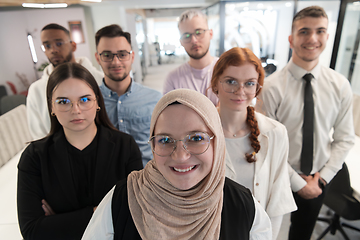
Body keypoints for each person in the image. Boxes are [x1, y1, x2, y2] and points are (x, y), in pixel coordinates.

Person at [81, 89, 272, 240]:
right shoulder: (122, 200)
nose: (181, 156)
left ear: (217, 143)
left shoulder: (243, 207)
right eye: (165, 140)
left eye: (196, 138)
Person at [258, 6, 355, 240]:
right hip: (279, 176)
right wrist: (295, 180)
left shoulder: (340, 85)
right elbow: (263, 142)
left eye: (320, 31)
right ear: (291, 39)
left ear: (327, 38)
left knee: (302, 233)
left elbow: (344, 138)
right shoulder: (271, 87)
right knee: (265, 230)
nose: (312, 38)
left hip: (318, 178)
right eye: (304, 31)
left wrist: (320, 178)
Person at [17, 62, 143, 240]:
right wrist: (100, 212)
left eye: (84, 100)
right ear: (51, 107)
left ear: (97, 102)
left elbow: (136, 217)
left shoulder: (125, 146)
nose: (75, 110)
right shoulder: (34, 156)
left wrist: (58, 222)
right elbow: (32, 231)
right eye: (63, 102)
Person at [210, 47, 297, 239]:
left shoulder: (275, 133)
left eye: (249, 83)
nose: (240, 91)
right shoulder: (199, 133)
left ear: (257, 87)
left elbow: (277, 199)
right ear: (215, 83)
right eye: (231, 81)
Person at [95, 24, 162, 166]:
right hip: (107, 183)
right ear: (97, 58)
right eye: (107, 55)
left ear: (132, 56)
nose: (116, 62)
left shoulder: (155, 99)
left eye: (122, 54)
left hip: (147, 180)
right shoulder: (90, 101)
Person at [27, 23, 103, 141]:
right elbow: (38, 133)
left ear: (73, 46)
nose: (53, 50)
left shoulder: (99, 79)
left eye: (59, 43)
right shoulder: (36, 89)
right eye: (47, 46)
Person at [163, 9, 218, 105]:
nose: (194, 40)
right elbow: (170, 117)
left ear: (210, 34)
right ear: (181, 42)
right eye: (186, 36)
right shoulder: (173, 79)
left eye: (199, 32)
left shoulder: (226, 70)